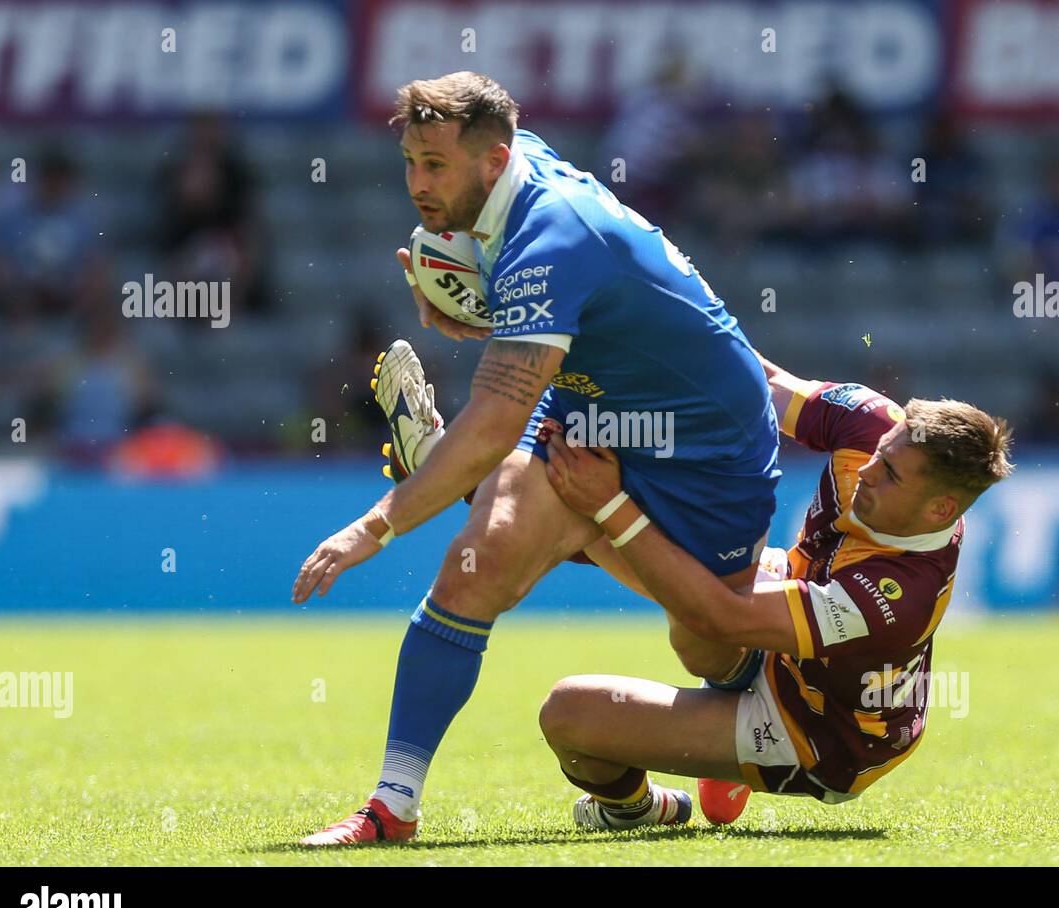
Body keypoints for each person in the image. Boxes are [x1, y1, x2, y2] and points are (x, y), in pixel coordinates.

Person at [293, 72, 780, 845]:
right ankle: (393, 806)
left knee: (707, 637)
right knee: (479, 562)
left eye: (436, 166)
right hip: (592, 408)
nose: (418, 184)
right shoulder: (515, 174)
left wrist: (375, 526)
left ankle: (727, 706)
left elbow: (493, 419)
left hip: (706, 443)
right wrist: (468, 288)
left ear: (494, 160)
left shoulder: (551, 235)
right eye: (412, 162)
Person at [536, 355, 1014, 829]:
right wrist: (653, 313)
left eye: (890, 474)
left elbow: (719, 614)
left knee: (568, 713)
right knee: (693, 564)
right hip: (780, 602)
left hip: (821, 733)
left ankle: (648, 801)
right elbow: (749, 377)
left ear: (939, 510)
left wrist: (605, 511)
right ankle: (693, 756)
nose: (867, 470)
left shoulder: (897, 596)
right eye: (880, 452)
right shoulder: (874, 423)